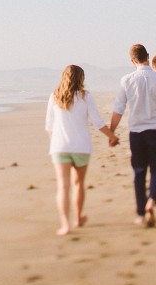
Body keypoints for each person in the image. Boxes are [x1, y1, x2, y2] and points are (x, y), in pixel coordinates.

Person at [45, 64, 119, 235]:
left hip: (59, 147)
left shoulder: (54, 96)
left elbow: (49, 126)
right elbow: (98, 122)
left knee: (63, 187)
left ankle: (65, 225)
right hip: (81, 147)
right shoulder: (86, 97)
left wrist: (56, 143)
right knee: (78, 184)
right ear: (81, 79)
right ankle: (78, 218)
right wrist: (112, 136)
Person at [110, 44, 156, 228]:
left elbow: (118, 109)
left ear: (132, 61)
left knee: (139, 172)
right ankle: (151, 201)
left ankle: (140, 213)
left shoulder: (126, 80)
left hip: (136, 133)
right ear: (147, 56)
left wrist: (111, 132)